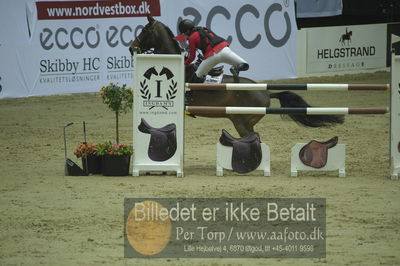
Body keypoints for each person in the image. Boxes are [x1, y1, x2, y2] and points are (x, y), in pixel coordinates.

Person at [176, 19, 249, 83]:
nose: (184, 36)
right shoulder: (205, 29)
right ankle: (235, 68)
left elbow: (192, 57)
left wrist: (184, 64)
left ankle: (188, 96)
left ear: (188, 31)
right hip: (225, 50)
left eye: (184, 33)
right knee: (244, 65)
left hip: (212, 56)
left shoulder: (191, 38)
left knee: (196, 77)